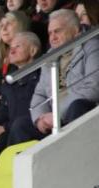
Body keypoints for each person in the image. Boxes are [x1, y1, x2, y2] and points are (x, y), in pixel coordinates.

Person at [14, 9, 99, 141]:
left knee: (77, 106)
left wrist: (57, 114)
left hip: (79, 112)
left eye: (57, 31)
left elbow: (93, 87)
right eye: (50, 33)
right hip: (54, 119)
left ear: (75, 30)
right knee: (20, 125)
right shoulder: (49, 56)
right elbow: (40, 94)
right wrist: (40, 118)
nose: (52, 37)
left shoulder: (92, 46)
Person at [0, 31, 43, 162]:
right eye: (11, 47)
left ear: (33, 51)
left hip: (31, 129)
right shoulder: (10, 80)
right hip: (10, 130)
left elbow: (31, 113)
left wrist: (5, 128)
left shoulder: (42, 75)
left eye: (18, 46)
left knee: (11, 134)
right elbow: (3, 111)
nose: (11, 50)